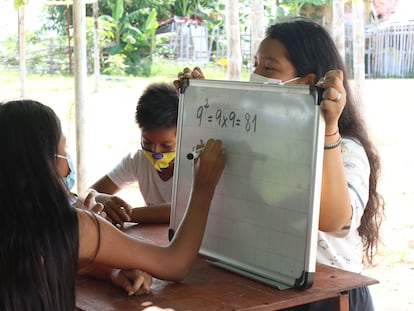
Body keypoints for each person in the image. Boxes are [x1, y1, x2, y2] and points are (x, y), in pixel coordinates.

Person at [174, 17, 384, 311]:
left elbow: (334, 220)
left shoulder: (345, 149)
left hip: (330, 298)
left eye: (269, 68)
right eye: (256, 65)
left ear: (307, 82)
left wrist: (329, 128)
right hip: (270, 287)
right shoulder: (259, 139)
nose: (256, 75)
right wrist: (198, 100)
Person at [0, 99, 224, 311]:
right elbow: (175, 263)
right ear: (46, 160)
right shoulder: (73, 225)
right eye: (64, 149)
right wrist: (203, 187)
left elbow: (40, 262)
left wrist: (111, 271)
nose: (67, 158)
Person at [90, 82, 178, 226]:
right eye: (147, 142)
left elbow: (179, 211)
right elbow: (88, 193)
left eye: (166, 146)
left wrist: (124, 214)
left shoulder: (196, 165)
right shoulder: (138, 160)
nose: (156, 152)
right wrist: (101, 198)